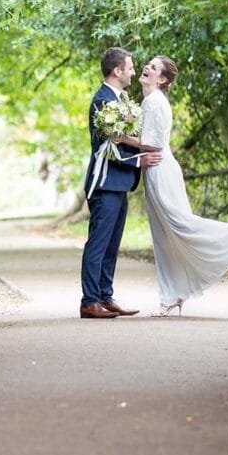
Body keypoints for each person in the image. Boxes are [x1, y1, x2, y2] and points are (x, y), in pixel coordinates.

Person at [118, 55, 228, 316]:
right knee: (164, 236)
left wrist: (120, 138)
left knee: (181, 224)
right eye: (147, 65)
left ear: (162, 79)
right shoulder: (151, 101)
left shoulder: (153, 102)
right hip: (157, 170)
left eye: (153, 68)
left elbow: (151, 144)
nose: (146, 68)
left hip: (160, 168)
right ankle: (171, 295)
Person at [79, 48, 162, 319]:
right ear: (117, 71)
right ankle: (89, 301)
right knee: (99, 243)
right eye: (130, 67)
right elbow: (106, 148)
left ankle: (105, 295)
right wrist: (138, 161)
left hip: (120, 184)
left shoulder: (121, 99)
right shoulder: (103, 102)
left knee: (112, 244)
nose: (133, 72)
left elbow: (125, 138)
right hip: (104, 184)